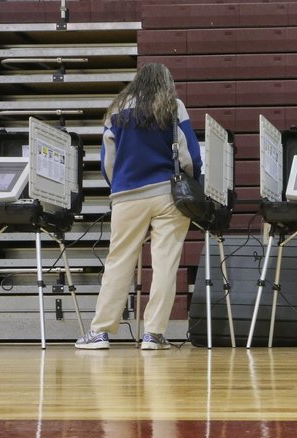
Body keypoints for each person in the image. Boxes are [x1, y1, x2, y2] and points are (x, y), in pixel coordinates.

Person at [75, 63, 202, 350]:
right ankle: (153, 334)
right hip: (168, 194)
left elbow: (108, 160)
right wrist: (192, 183)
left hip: (127, 195)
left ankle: (100, 332)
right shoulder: (173, 106)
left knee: (119, 261)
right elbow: (190, 154)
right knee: (165, 264)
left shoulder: (117, 108)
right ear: (166, 83)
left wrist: (117, 184)